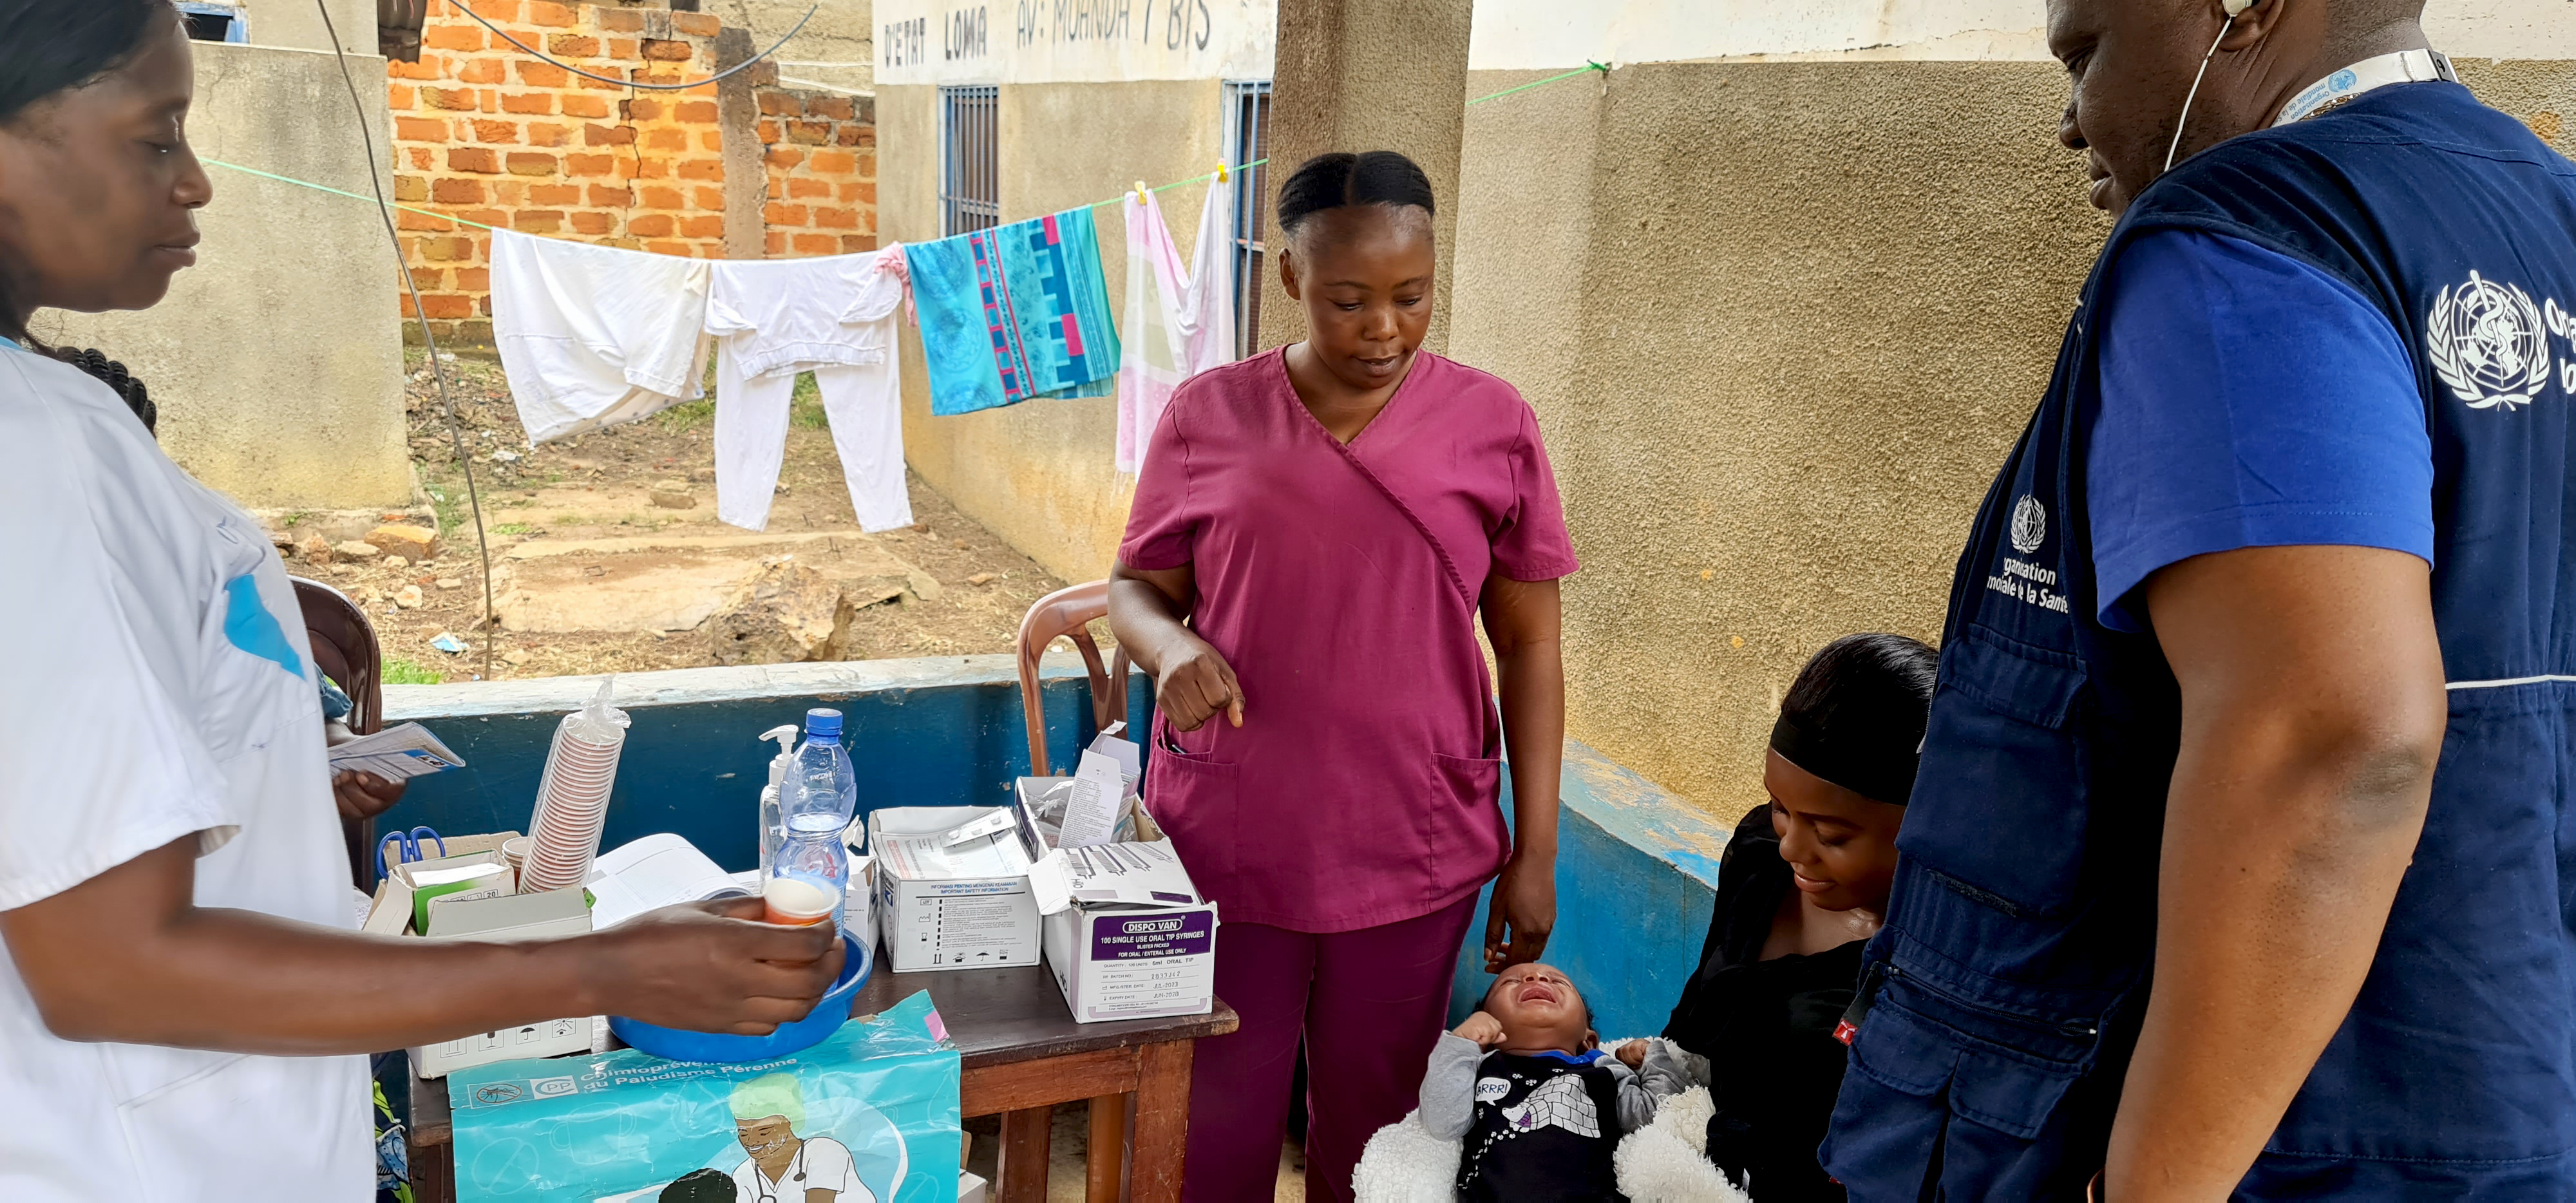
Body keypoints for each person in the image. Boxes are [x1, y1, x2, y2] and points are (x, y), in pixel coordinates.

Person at [0, 5, 844, 1198]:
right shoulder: (38, 452)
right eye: (154, 139)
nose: (194, 182)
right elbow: (107, 965)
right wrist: (605, 968)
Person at [1819, 0, 2576, 1198]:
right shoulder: (2548, 214)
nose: (2071, 124)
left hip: (2288, 1155)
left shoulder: (2251, 234)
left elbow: (2332, 738)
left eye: (2086, 54)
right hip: (2502, 1114)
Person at [1106, 149, 1580, 1200]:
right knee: (1215, 1110)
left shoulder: (1492, 423)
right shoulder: (1208, 416)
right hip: (1236, 834)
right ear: (1289, 280)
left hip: (1413, 831)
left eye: (1411, 298)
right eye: (1348, 300)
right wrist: (1172, 645)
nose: (1383, 329)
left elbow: (1532, 644)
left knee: (1379, 1128)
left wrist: (1537, 844)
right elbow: (1134, 587)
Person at [1660, 634, 1926, 1202]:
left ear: (1922, 824)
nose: (1792, 847)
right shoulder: (1760, 855)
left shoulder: (1928, 961)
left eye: (1830, 834)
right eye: (1782, 807)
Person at [1421, 962, 1689, 1202]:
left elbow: (1659, 1116)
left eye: (1558, 982)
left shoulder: (1602, 1071)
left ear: (1588, 1039)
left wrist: (1652, 1056)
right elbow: (1442, 1124)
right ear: (1486, 1029)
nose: (1536, 978)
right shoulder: (1480, 1068)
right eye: (1511, 981)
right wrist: (1461, 1045)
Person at [728, 1073, 869, 1203]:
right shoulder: (744, 1174)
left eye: (764, 1132)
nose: (751, 1142)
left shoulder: (823, 1151)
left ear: (788, 1123)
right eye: (743, 1133)